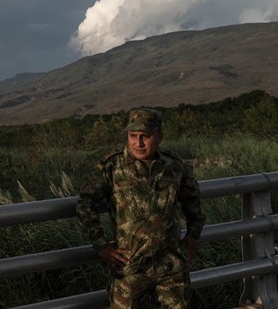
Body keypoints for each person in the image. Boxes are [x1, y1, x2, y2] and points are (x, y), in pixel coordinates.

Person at [76, 108, 205, 308]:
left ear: (159, 137)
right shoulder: (113, 167)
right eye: (133, 136)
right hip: (129, 266)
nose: (139, 143)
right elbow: (85, 202)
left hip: (169, 265)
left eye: (145, 136)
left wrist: (193, 234)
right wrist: (102, 245)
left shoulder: (174, 166)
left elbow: (192, 200)